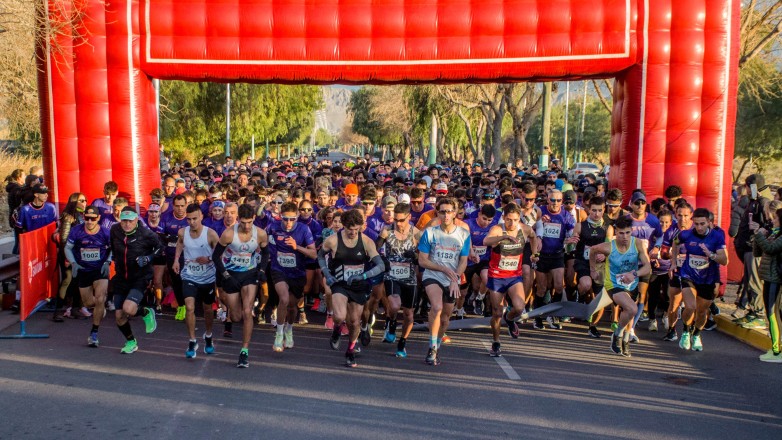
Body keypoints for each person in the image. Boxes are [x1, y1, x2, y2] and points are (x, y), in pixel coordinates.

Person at [319, 209, 386, 367]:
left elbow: (381, 265)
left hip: (358, 285)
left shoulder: (366, 241)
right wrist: (326, 273)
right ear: (344, 226)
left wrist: (363, 276)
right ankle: (336, 329)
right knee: (340, 316)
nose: (353, 233)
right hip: (339, 283)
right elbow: (320, 256)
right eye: (350, 229)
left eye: (357, 229)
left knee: (355, 321)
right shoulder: (333, 240)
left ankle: (350, 351)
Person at [212, 204, 269, 367]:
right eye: (243, 222)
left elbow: (266, 253)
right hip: (231, 275)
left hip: (249, 274)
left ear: (254, 220)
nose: (246, 226)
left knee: (246, 311)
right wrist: (226, 276)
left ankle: (244, 351)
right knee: (236, 316)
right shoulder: (229, 234)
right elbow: (216, 257)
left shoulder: (260, 234)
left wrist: (262, 270)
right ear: (238, 220)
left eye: (249, 222)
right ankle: (229, 311)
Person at [417, 197, 471, 366]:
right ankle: (432, 347)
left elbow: (463, 261)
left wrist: (455, 277)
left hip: (452, 278)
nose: (446, 215)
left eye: (449, 212)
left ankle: (438, 344)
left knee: (446, 317)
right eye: (442, 212)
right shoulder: (430, 233)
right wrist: (443, 269)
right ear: (437, 213)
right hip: (433, 275)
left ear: (455, 213)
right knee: (437, 307)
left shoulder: (463, 234)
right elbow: (423, 261)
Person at [589, 215, 652, 357]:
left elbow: (648, 267)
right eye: (621, 233)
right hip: (613, 284)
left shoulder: (638, 244)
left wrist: (634, 274)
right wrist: (593, 270)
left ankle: (625, 339)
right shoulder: (608, 247)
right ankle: (617, 335)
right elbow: (593, 250)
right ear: (615, 232)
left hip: (632, 283)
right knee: (632, 308)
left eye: (628, 233)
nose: (624, 236)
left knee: (629, 313)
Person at [482, 203, 537, 356]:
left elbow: (534, 237)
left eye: (515, 220)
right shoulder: (498, 229)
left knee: (519, 307)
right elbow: (486, 241)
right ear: (503, 218)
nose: (512, 223)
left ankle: (510, 318)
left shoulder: (524, 229)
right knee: (497, 313)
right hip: (497, 277)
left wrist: (535, 254)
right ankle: (496, 342)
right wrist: (504, 236)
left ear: (519, 218)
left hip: (514, 276)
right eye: (508, 220)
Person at [109, 207, 161, 354]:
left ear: (136, 220)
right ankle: (131, 341)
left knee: (128, 309)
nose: (126, 224)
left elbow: (159, 247)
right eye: (124, 221)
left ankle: (145, 312)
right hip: (121, 277)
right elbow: (113, 247)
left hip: (140, 277)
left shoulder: (145, 233)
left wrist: (148, 258)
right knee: (119, 316)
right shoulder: (115, 230)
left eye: (130, 221)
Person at [267, 202, 317, 352]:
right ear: (280, 217)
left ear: (297, 218)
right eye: (285, 219)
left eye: (292, 219)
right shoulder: (273, 227)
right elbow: (261, 240)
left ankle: (289, 329)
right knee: (284, 298)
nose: (288, 223)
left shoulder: (304, 229)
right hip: (278, 269)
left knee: (292, 307)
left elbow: (313, 254)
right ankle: (279, 334)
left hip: (297, 272)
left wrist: (297, 247)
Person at [676, 208, 728, 351]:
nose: (699, 227)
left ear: (709, 223)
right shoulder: (686, 234)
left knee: (701, 311)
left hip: (708, 278)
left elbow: (724, 260)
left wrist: (711, 255)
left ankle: (696, 334)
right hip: (688, 275)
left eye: (702, 224)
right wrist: (674, 262)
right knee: (690, 306)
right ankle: (686, 331)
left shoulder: (717, 236)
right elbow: (675, 243)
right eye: (696, 223)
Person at [172, 203, 221, 358]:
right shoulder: (182, 232)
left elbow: (220, 253)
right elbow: (180, 243)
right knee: (190, 307)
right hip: (189, 275)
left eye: (194, 218)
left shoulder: (211, 234)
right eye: (188, 219)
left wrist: (208, 258)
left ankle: (208, 335)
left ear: (201, 217)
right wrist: (176, 260)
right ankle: (192, 340)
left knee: (207, 309)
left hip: (207, 277)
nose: (192, 222)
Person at [376, 202, 421, 357]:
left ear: (409, 217)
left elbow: (425, 257)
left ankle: (402, 342)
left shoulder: (416, 233)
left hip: (409, 277)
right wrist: (383, 259)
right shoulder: (387, 231)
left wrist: (415, 256)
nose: (398, 223)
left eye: (401, 220)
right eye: (396, 219)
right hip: (392, 274)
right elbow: (375, 250)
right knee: (394, 305)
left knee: (409, 314)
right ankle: (392, 322)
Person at [63, 205, 111, 347]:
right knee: (90, 303)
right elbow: (67, 247)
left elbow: (113, 248)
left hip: (99, 270)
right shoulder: (76, 231)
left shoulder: (105, 232)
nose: (89, 221)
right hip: (83, 270)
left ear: (98, 218)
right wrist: (73, 263)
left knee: (100, 298)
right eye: (87, 218)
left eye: (93, 219)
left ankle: (94, 333)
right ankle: (100, 308)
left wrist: (107, 262)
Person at [570, 196, 613, 337]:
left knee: (600, 297)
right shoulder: (580, 225)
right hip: (583, 261)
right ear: (588, 210)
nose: (596, 213)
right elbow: (572, 243)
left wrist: (605, 255)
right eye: (593, 210)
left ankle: (593, 326)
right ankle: (580, 295)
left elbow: (609, 246)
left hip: (600, 265)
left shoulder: (608, 227)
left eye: (599, 211)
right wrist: (571, 241)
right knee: (586, 284)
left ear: (603, 210)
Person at [533, 189, 575, 330]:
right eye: (552, 200)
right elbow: (528, 227)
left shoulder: (566, 215)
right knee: (542, 288)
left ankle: (553, 315)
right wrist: (538, 223)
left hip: (557, 254)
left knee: (558, 286)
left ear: (561, 201)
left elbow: (572, 231)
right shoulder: (540, 211)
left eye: (558, 200)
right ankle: (537, 316)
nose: (555, 203)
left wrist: (571, 238)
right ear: (547, 200)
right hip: (542, 255)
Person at [751, 204, 782, 362]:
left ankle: (777, 350)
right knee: (770, 314)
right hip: (768, 277)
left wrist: (760, 236)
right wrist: (758, 234)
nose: (773, 220)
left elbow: (770, 248)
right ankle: (774, 347)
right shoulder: (774, 233)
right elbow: (758, 252)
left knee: (772, 314)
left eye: (776, 218)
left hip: (775, 278)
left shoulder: (780, 236)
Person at [53, 192, 88, 321]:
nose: (84, 203)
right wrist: (68, 257)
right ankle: (58, 311)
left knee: (77, 281)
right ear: (74, 202)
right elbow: (63, 239)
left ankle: (74, 309)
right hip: (69, 254)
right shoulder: (68, 217)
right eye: (82, 200)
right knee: (67, 280)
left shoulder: (82, 216)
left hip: (80, 254)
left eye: (85, 200)